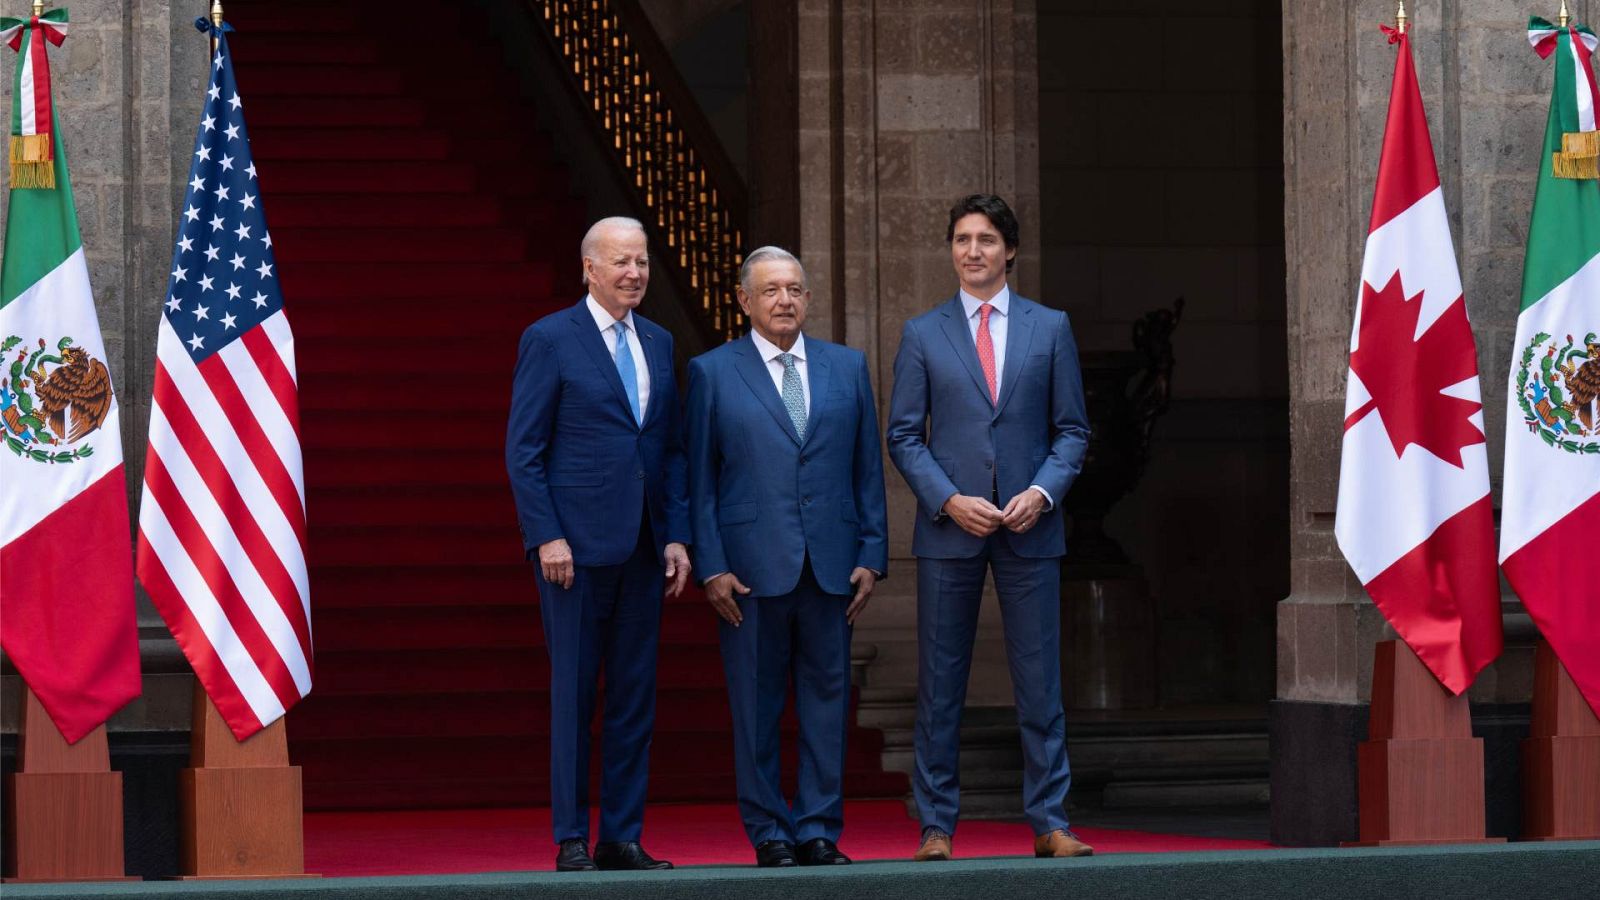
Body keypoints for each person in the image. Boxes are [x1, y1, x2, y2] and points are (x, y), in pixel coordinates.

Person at [886, 194, 1094, 861]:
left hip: (1031, 526)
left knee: (1040, 682)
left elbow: (1073, 431)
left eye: (985, 239)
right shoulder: (923, 332)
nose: (972, 251)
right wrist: (948, 501)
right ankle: (937, 826)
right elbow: (903, 436)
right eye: (961, 239)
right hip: (951, 530)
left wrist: (1042, 492)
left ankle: (1051, 821)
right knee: (940, 682)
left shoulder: (1050, 327)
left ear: (1009, 250)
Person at [686, 246, 888, 868]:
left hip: (831, 566)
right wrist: (711, 565)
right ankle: (770, 828)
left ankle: (819, 827)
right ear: (744, 301)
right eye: (770, 290)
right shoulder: (712, 372)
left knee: (828, 703)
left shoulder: (846, 367)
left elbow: (866, 470)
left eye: (795, 289)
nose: (785, 301)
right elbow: (699, 481)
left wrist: (872, 553)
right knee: (756, 705)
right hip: (749, 570)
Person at [505, 216, 691, 872]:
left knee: (634, 698)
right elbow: (524, 450)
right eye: (620, 262)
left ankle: (622, 835)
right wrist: (547, 536)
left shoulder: (661, 343)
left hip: (643, 549)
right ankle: (571, 837)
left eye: (641, 262)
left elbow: (667, 451)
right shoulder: (551, 339)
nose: (635, 273)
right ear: (589, 268)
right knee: (575, 695)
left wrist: (675, 538)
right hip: (573, 554)